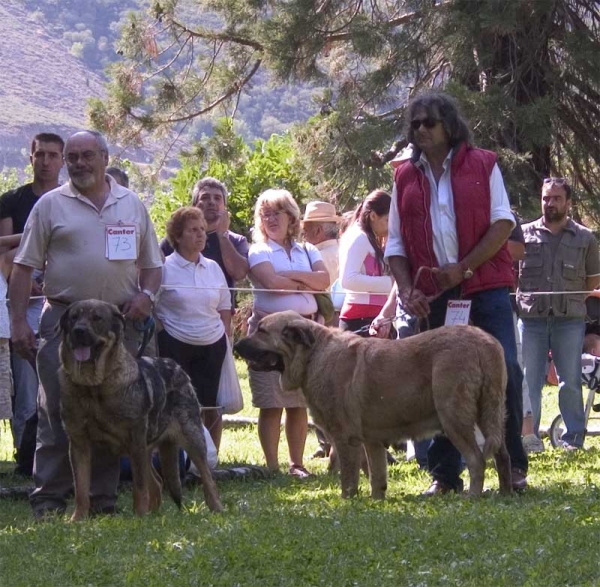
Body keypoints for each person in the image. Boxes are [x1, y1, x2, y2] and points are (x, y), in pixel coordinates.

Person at [9, 130, 163, 520]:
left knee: (117, 413)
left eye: (86, 155)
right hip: (63, 322)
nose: (78, 163)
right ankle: (48, 500)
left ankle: (102, 502)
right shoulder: (50, 205)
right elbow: (23, 268)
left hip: (117, 327)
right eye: (72, 157)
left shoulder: (131, 204)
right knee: (57, 412)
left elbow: (153, 266)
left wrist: (147, 297)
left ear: (104, 158)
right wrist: (18, 324)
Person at [385, 90, 528, 494]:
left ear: (449, 125)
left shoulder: (484, 164)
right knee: (437, 384)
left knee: (507, 373)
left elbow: (502, 225)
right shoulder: (403, 177)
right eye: (415, 124)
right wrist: (408, 288)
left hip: (486, 289)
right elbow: (395, 245)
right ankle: (444, 476)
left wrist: (463, 267)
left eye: (429, 122)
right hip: (435, 296)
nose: (421, 130)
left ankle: (513, 467)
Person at [247, 188, 329, 478]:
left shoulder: (309, 250)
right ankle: (272, 467)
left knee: (297, 403)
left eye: (276, 212)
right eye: (264, 213)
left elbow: (324, 280)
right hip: (268, 335)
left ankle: (297, 465)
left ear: (291, 217)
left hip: (305, 336)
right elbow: (271, 283)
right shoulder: (258, 250)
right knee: (271, 403)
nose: (270, 218)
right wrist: (306, 284)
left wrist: (292, 278)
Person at [517, 177, 600, 450]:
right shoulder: (524, 235)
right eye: (545, 198)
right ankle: (529, 439)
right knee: (529, 381)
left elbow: (591, 281)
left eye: (556, 198)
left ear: (568, 202)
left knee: (571, 380)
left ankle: (573, 439)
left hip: (570, 320)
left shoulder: (585, 238)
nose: (549, 203)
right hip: (532, 321)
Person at [0, 132, 64, 473]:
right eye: (40, 155)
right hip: (24, 299)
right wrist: (33, 235)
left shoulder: (73, 200)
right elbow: (6, 251)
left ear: (62, 161)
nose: (46, 161)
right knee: (26, 383)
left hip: (63, 298)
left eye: (53, 155)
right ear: (31, 158)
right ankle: (27, 458)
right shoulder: (12, 200)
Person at [155, 206, 232, 452]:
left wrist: (225, 337)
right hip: (175, 344)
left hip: (212, 344)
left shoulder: (213, 267)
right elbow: (151, 305)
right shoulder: (164, 268)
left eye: (202, 230)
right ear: (177, 236)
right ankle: (177, 460)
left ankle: (209, 461)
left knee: (210, 405)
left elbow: (225, 306)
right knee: (177, 404)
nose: (200, 235)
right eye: (192, 230)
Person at [160, 177, 249, 310]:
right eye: (205, 197)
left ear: (224, 207)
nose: (212, 202)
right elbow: (154, 267)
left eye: (217, 198)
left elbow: (239, 273)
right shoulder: (177, 238)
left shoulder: (237, 240)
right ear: (194, 205)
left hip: (220, 318)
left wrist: (222, 236)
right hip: (178, 316)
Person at [338, 189, 394, 335]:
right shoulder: (359, 237)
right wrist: (391, 283)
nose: (391, 226)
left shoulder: (366, 237)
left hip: (370, 317)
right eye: (388, 220)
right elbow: (348, 280)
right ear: (373, 216)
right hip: (359, 318)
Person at [301, 201, 341, 289]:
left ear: (318, 231)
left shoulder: (315, 259)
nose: (304, 237)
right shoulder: (347, 251)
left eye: (305, 231)